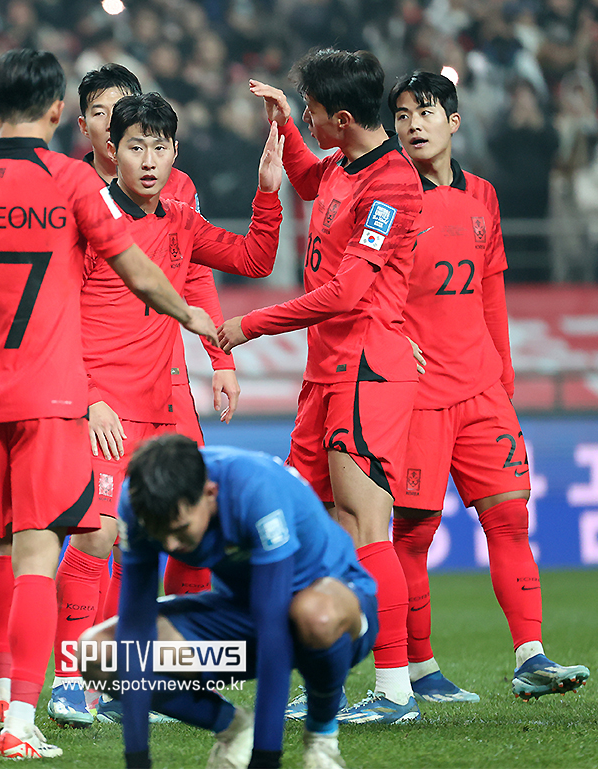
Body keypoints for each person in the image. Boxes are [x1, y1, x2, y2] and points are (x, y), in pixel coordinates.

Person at [0, 49, 219, 760]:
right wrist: (192, 315)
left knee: (0, 547)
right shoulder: (73, 179)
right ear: (58, 112)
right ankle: (21, 721)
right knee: (40, 558)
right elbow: (134, 267)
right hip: (50, 395)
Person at [48, 91, 283, 729]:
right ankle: (72, 681)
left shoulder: (179, 217)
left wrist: (267, 190)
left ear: (174, 153)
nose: (148, 160)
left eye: (159, 147)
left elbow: (254, 260)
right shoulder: (87, 222)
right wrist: (89, 397)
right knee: (95, 534)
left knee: (180, 534)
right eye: (135, 147)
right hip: (102, 406)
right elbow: (56, 319)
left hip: (161, 404)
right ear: (110, 152)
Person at [220, 50, 424, 723]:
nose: (304, 112)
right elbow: (310, 181)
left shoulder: (392, 185)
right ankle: (332, 665)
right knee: (320, 528)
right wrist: (285, 127)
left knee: (365, 524)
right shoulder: (342, 164)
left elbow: (349, 291)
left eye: (310, 107)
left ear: (342, 117)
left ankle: (395, 690)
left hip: (367, 368)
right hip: (326, 372)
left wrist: (253, 323)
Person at [387, 70, 590, 703]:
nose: (413, 124)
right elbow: (363, 287)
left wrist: (503, 377)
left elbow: (492, 289)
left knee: (508, 519)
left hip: (481, 392)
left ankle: (530, 655)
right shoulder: (386, 200)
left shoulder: (484, 196)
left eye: (426, 112)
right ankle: (419, 670)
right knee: (413, 534)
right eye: (401, 115)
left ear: (454, 120)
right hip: (417, 396)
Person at [78, 434, 377, 769]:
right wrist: (137, 760)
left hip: (332, 615)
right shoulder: (139, 504)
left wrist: (265, 759)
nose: (172, 546)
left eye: (180, 529)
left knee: (314, 615)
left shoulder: (255, 489)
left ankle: (322, 735)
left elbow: (273, 636)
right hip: (244, 612)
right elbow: (136, 627)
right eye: (161, 535)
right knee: (101, 654)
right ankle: (233, 726)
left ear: (210, 494)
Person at [75, 63, 237, 606]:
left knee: (187, 524)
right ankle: (88, 669)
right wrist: (86, 395)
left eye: (122, 109)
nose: (110, 122)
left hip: (166, 383)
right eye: (101, 113)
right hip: (99, 381)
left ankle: (169, 668)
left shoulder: (176, 187)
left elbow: (197, 274)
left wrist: (221, 360)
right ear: (91, 127)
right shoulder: (72, 195)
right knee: (100, 532)